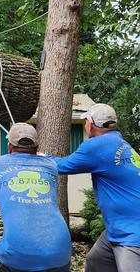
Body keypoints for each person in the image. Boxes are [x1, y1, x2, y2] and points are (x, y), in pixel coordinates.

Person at [0, 123, 71, 272]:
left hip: (19, 253)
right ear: (36, 147)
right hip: (61, 253)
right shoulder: (51, 166)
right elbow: (46, 160)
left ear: (10, 147)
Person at [54, 104, 140, 272]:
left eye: (86, 120)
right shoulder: (119, 142)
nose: (85, 124)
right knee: (96, 261)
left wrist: (39, 158)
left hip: (131, 233)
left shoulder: (97, 146)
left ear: (91, 124)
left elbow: (61, 166)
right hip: (118, 227)